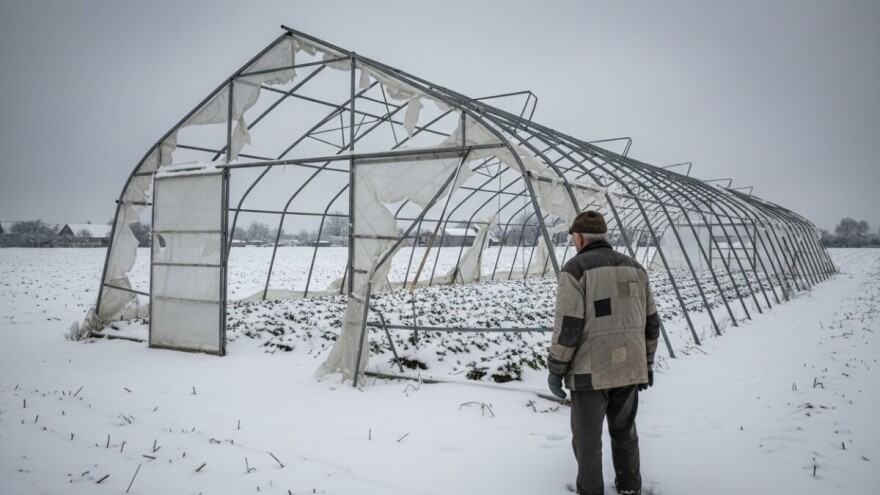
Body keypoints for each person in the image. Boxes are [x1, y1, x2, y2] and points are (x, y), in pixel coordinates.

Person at [547, 210, 660, 495]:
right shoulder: (635, 268)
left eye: (573, 236)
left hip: (590, 372)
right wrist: (646, 364)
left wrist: (555, 368)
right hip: (629, 368)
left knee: (587, 441)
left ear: (580, 237)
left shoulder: (576, 270)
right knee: (625, 433)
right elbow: (651, 324)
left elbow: (569, 327)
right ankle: (630, 487)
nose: (573, 241)